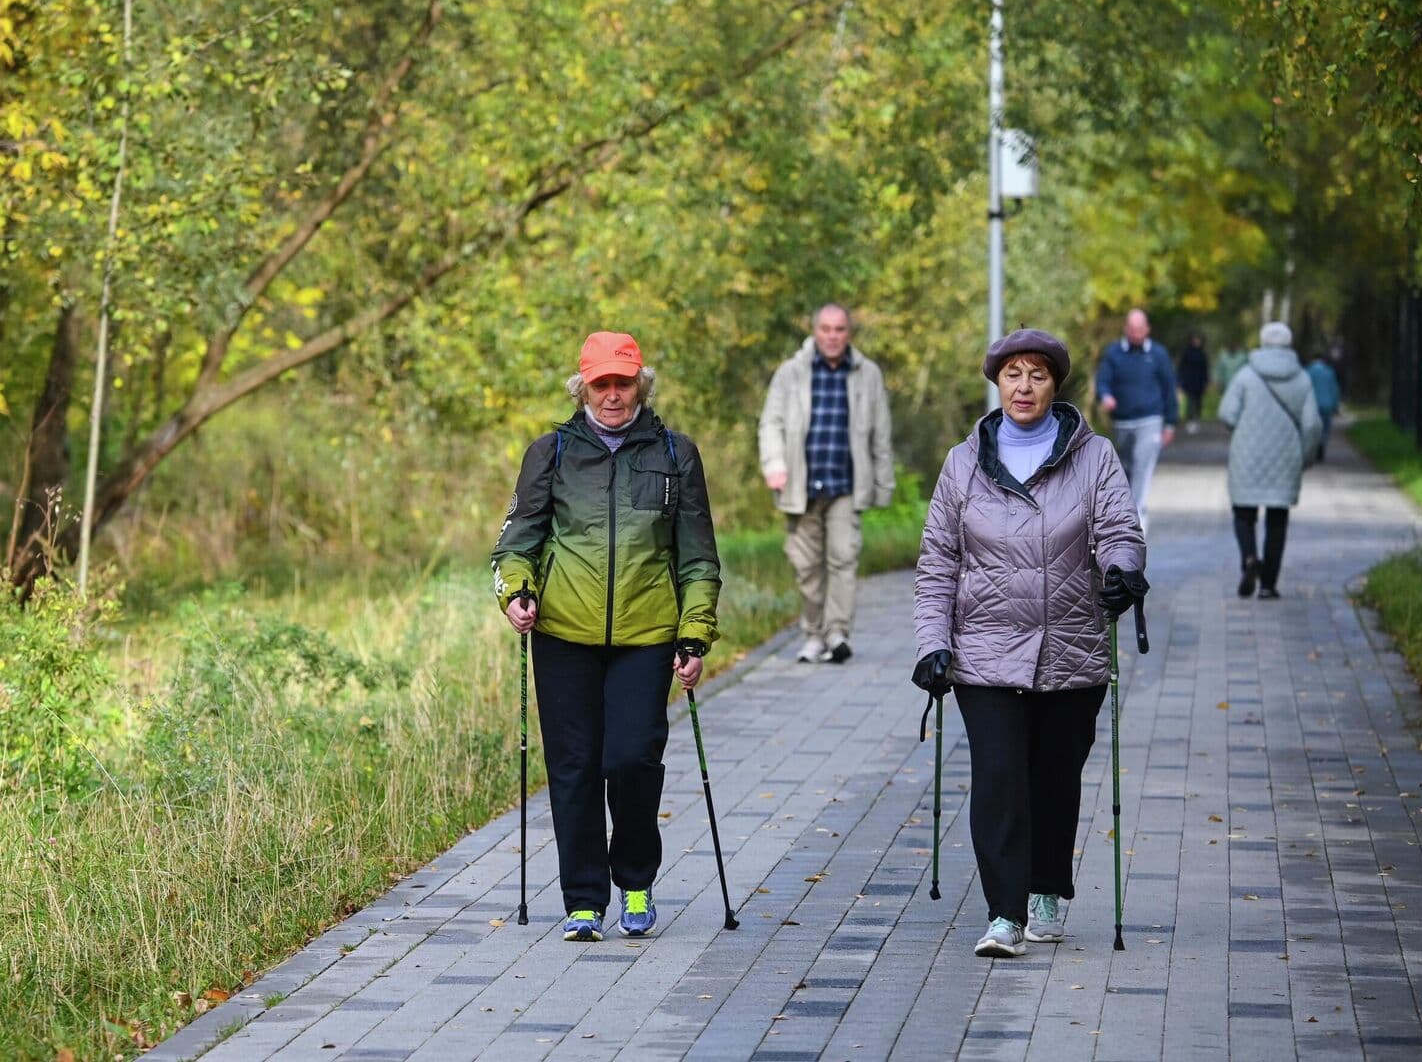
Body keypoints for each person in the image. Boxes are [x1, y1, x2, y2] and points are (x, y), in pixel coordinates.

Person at [911, 328, 1148, 958]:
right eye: (1012, 374)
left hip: (1071, 647)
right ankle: (1004, 913)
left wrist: (1123, 571)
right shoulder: (964, 463)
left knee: (1054, 776)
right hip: (984, 652)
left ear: (1055, 385)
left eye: (1037, 375)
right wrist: (931, 643)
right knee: (997, 779)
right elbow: (937, 559)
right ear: (997, 382)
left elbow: (1121, 528)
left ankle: (1047, 886)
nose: (1024, 386)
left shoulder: (1093, 458)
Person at [492, 331, 722, 942]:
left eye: (624, 383)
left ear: (640, 384)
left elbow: (698, 558)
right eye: (602, 384)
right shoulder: (552, 453)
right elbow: (517, 541)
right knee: (573, 766)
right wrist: (517, 592)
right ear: (584, 387)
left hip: (647, 634)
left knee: (631, 760)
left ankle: (638, 883)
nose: (613, 395)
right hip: (564, 632)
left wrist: (694, 633)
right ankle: (585, 900)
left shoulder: (676, 454)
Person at [756, 303, 895, 663]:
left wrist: (883, 484)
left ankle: (836, 634)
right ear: (815, 331)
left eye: (840, 329)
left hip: (846, 484)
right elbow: (770, 423)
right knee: (806, 566)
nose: (833, 336)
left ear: (849, 333)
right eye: (826, 329)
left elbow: (881, 433)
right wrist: (774, 464)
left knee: (843, 559)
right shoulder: (791, 373)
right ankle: (813, 634)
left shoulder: (868, 374)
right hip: (800, 485)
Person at [1219, 322, 1322, 599]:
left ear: (1263, 342)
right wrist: (1307, 456)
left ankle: (1250, 558)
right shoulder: (1302, 378)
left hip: (1246, 455)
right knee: (1277, 519)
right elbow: (1312, 424)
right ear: (1289, 344)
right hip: (1286, 458)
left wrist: (1243, 429)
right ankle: (1268, 585)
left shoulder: (1245, 375)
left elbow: (1227, 414)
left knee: (1243, 513)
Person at [1093, 308, 1179, 532]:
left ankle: (1138, 517)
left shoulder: (1158, 355)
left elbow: (1169, 389)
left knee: (1143, 466)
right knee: (1124, 470)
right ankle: (1125, 512)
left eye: (1140, 329)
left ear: (1147, 330)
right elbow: (1103, 381)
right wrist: (1106, 396)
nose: (1136, 334)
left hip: (1150, 420)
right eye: (1132, 330)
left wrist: (1170, 423)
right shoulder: (1114, 353)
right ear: (1126, 329)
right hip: (1122, 423)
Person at [1305, 352, 1342, 462]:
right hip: (1327, 405)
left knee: (1312, 428)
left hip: (1312, 406)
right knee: (1325, 428)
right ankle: (1322, 445)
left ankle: (1314, 448)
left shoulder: (1307, 371)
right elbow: (1334, 390)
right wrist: (1335, 405)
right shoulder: (1329, 372)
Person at [1177, 331, 1210, 432]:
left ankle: (1196, 418)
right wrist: (1181, 380)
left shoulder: (1202, 354)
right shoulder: (1187, 353)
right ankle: (1190, 420)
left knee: (1198, 402)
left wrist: (1206, 381)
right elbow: (1181, 368)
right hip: (1189, 381)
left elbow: (1205, 368)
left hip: (1199, 382)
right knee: (1190, 402)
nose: (1197, 342)